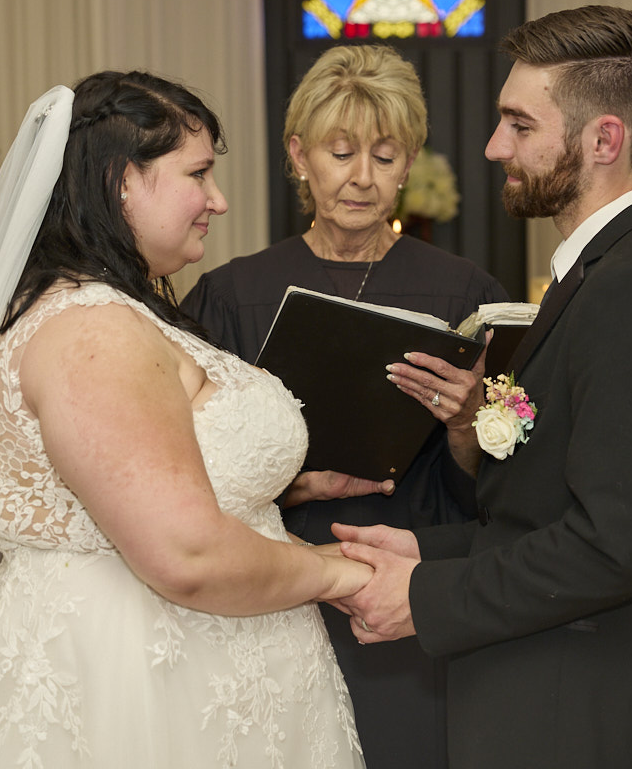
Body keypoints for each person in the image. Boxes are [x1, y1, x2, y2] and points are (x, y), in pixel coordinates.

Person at [0, 71, 370, 768]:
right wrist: (335, 573)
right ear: (121, 181)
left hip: (201, 666)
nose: (217, 200)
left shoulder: (109, 311)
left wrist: (278, 486)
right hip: (132, 676)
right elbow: (184, 554)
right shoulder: (91, 331)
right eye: (198, 173)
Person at [332, 6, 632, 769]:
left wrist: (422, 597)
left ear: (603, 140)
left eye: (519, 125)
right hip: (550, 698)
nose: (493, 146)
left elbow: (610, 549)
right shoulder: (600, 276)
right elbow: (545, 510)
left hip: (589, 718)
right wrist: (425, 547)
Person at [181, 44, 507, 769]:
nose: (362, 177)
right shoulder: (232, 295)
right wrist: (295, 485)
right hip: (275, 582)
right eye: (340, 153)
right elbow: (184, 472)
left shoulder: (466, 294)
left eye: (385, 157)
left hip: (413, 588)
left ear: (409, 163)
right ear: (299, 156)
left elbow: (507, 487)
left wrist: (463, 424)